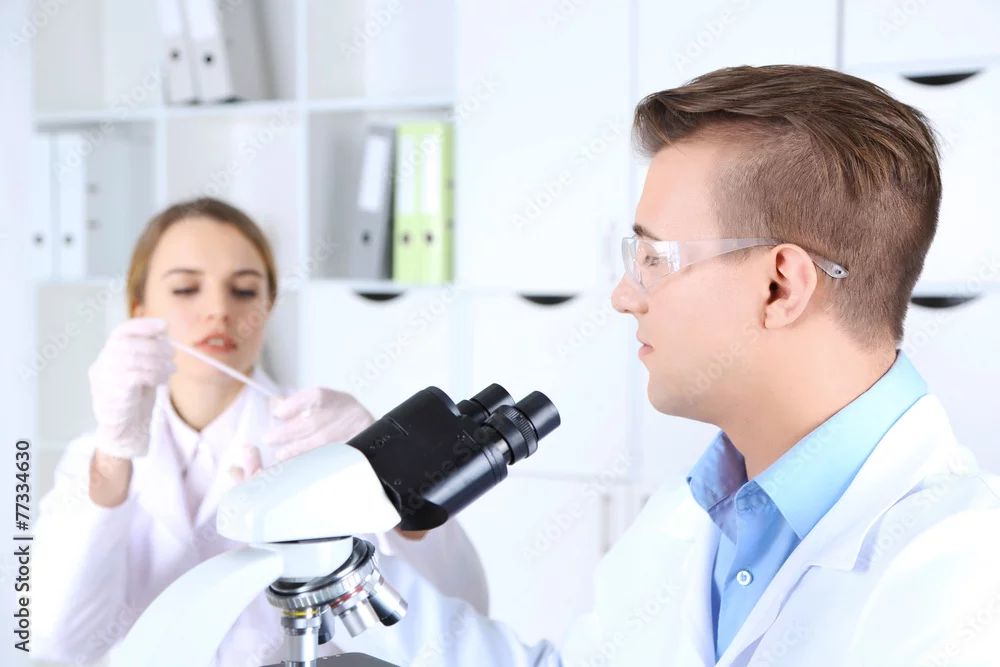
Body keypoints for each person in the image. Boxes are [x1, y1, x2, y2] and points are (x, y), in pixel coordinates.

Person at [306, 65, 1000, 666]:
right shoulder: (691, 515)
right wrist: (333, 564)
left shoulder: (967, 573)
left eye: (653, 259)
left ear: (779, 286)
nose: (624, 295)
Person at [30, 197, 490, 667]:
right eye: (186, 288)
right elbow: (57, 641)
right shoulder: (97, 460)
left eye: (244, 291)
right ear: (139, 309)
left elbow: (461, 613)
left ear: (268, 307)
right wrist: (113, 457)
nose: (218, 310)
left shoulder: (324, 442)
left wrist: (389, 475)